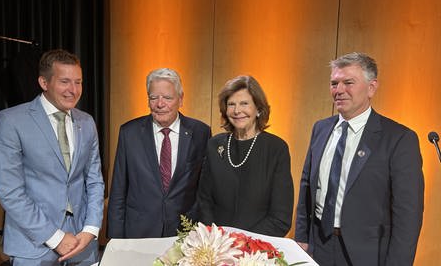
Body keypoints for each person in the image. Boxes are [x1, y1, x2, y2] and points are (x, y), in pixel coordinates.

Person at [295, 52, 424, 265]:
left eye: (348, 82)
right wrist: (301, 238)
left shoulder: (399, 139)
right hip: (318, 246)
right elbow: (307, 185)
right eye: (334, 83)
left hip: (366, 255)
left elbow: (408, 216)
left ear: (371, 87)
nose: (339, 90)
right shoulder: (321, 128)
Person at [0, 49, 105, 265]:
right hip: (33, 243)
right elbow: (11, 192)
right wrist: (55, 238)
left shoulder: (87, 122)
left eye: (78, 82)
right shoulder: (11, 121)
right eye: (65, 81)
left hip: (82, 242)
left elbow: (94, 180)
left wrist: (91, 229)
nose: (73, 90)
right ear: (44, 82)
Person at [107, 68, 211, 238]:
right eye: (154, 97)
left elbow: (205, 190)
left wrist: (205, 234)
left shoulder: (200, 132)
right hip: (139, 234)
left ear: (181, 99)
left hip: (185, 235)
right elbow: (119, 190)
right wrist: (115, 240)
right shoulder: (129, 132)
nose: (160, 104)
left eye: (167, 98)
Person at [197, 75, 294, 237]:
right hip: (216, 244)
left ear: (258, 109)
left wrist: (243, 242)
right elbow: (204, 200)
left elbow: (280, 217)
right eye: (231, 104)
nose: (237, 111)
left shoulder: (276, 148)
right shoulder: (215, 145)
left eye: (244, 104)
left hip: (257, 248)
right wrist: (214, 237)